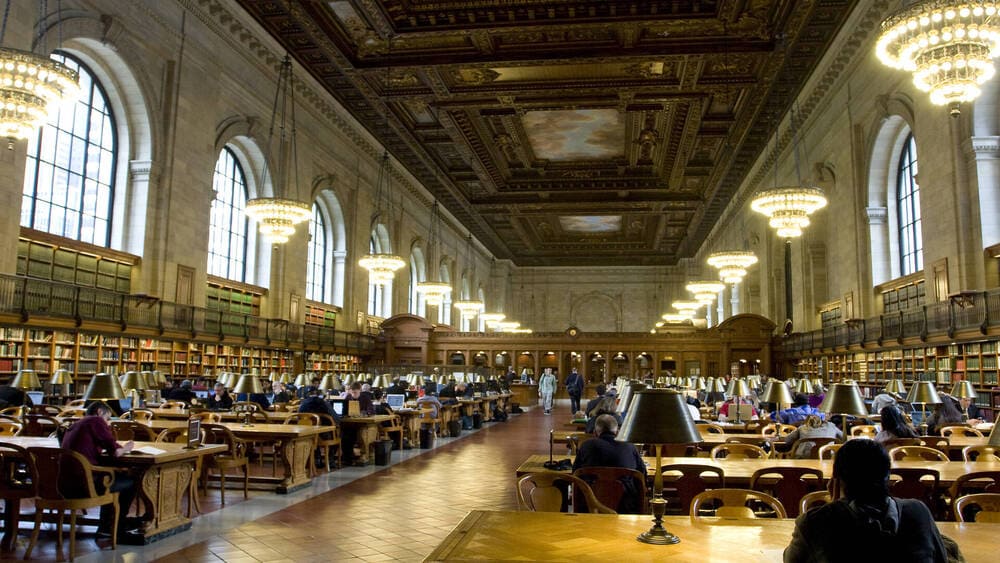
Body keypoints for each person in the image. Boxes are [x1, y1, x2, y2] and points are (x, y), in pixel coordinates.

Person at [783, 438, 948, 562]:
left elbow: (791, 559)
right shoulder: (918, 512)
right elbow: (942, 558)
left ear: (836, 481)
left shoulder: (815, 523)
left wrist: (834, 506)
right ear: (888, 478)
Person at [61, 402, 137, 540]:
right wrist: (128, 447)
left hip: (65, 483)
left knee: (113, 477)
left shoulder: (76, 424)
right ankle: (116, 527)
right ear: (99, 412)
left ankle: (106, 526)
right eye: (107, 419)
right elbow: (116, 451)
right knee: (131, 482)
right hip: (85, 482)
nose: (107, 424)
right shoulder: (95, 421)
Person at [572, 414, 646, 513]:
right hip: (626, 505)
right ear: (617, 432)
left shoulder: (587, 445)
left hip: (589, 504)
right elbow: (642, 474)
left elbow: (575, 473)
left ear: (595, 432)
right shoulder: (629, 446)